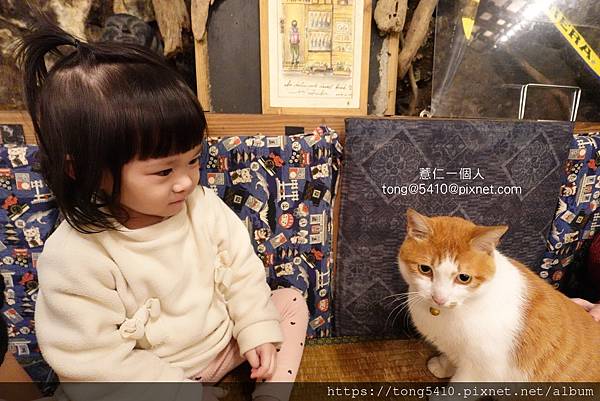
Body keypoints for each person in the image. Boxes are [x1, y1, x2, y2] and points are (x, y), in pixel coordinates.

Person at [16, 18, 308, 401]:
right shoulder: (76, 256)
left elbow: (241, 271)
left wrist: (255, 330)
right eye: (164, 170)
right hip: (145, 377)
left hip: (220, 348)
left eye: (193, 161)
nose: (186, 181)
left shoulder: (200, 205)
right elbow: (93, 362)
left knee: (287, 303)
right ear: (84, 170)